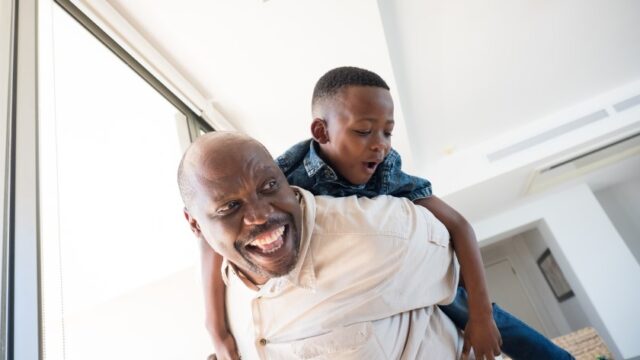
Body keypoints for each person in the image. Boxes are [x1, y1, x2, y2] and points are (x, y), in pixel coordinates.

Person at [200, 66, 574, 359]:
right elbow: (210, 233)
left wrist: (481, 317)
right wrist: (216, 328)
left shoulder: (388, 170)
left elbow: (459, 226)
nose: (379, 146)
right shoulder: (285, 174)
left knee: (490, 318)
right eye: (364, 131)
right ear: (321, 131)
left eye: (387, 133)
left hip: (431, 279)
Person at [179, 132, 465, 359]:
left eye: (268, 186)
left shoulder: (378, 235)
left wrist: (481, 320)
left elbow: (455, 253)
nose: (261, 215)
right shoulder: (221, 289)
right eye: (230, 206)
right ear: (196, 225)